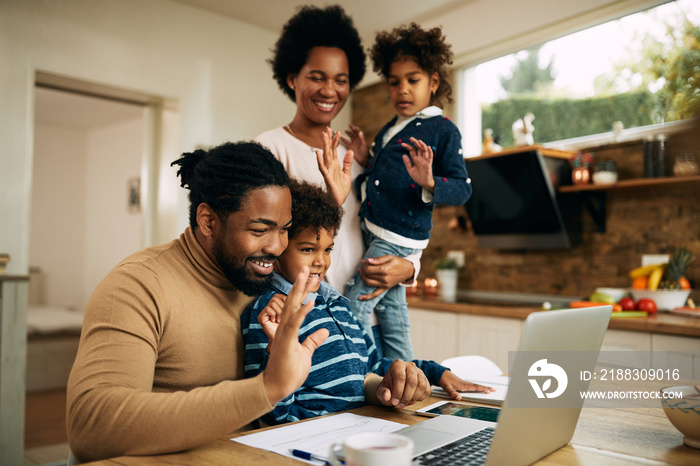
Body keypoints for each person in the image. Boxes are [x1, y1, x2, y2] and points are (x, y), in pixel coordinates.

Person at [65, 141, 429, 463]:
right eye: (259, 230)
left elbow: (321, 374)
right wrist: (266, 389)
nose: (276, 246)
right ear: (208, 221)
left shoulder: (272, 280)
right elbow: (92, 428)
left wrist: (378, 385)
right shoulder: (139, 285)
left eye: (285, 229)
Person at [241, 180, 492, 425]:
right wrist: (277, 354)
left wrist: (437, 373)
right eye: (307, 249)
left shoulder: (338, 305)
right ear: (279, 248)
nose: (321, 261)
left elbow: (372, 366)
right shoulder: (270, 313)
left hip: (363, 425)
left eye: (327, 249)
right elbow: (268, 415)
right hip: (308, 437)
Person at [255, 5, 420, 333]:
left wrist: (410, 267)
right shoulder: (270, 149)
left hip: (371, 313)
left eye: (340, 80)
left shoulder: (357, 154)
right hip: (307, 318)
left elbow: (395, 221)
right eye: (317, 77)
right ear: (292, 78)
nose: (330, 90)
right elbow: (262, 240)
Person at [320, 24, 471, 360]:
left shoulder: (444, 130)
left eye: (413, 80)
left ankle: (353, 369)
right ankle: (403, 371)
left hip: (397, 234)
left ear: (433, 82)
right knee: (391, 311)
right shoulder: (391, 128)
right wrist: (365, 157)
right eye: (394, 81)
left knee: (356, 302)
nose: (403, 89)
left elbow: (462, 189)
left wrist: (431, 182)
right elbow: (385, 176)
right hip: (377, 228)